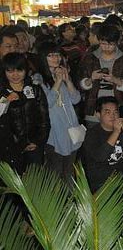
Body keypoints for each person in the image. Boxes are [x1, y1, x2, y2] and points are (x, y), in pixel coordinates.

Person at [38, 43, 82, 182]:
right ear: (43, 58)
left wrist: (67, 80)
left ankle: (70, 201)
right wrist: (57, 81)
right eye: (50, 55)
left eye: (57, 54)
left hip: (70, 131)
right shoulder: (39, 79)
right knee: (55, 174)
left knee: (69, 172)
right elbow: (48, 103)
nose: (55, 58)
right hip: (54, 134)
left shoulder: (62, 74)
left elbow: (76, 99)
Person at [81, 97, 123, 192]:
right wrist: (115, 132)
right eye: (108, 112)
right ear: (98, 115)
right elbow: (100, 157)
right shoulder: (92, 134)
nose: (113, 116)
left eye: (115, 112)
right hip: (102, 181)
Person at [0, 52, 50, 173]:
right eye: (10, 71)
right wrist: (5, 102)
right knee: (13, 187)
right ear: (4, 72)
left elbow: (44, 119)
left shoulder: (35, 89)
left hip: (34, 146)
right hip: (9, 148)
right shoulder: (2, 92)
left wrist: (37, 141)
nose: (15, 75)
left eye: (19, 70)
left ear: (26, 70)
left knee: (34, 184)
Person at [79, 23, 123, 123]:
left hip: (117, 107)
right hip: (94, 108)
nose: (107, 47)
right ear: (99, 40)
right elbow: (81, 84)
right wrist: (91, 79)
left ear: (117, 42)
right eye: (103, 44)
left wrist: (115, 80)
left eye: (111, 44)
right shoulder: (91, 57)